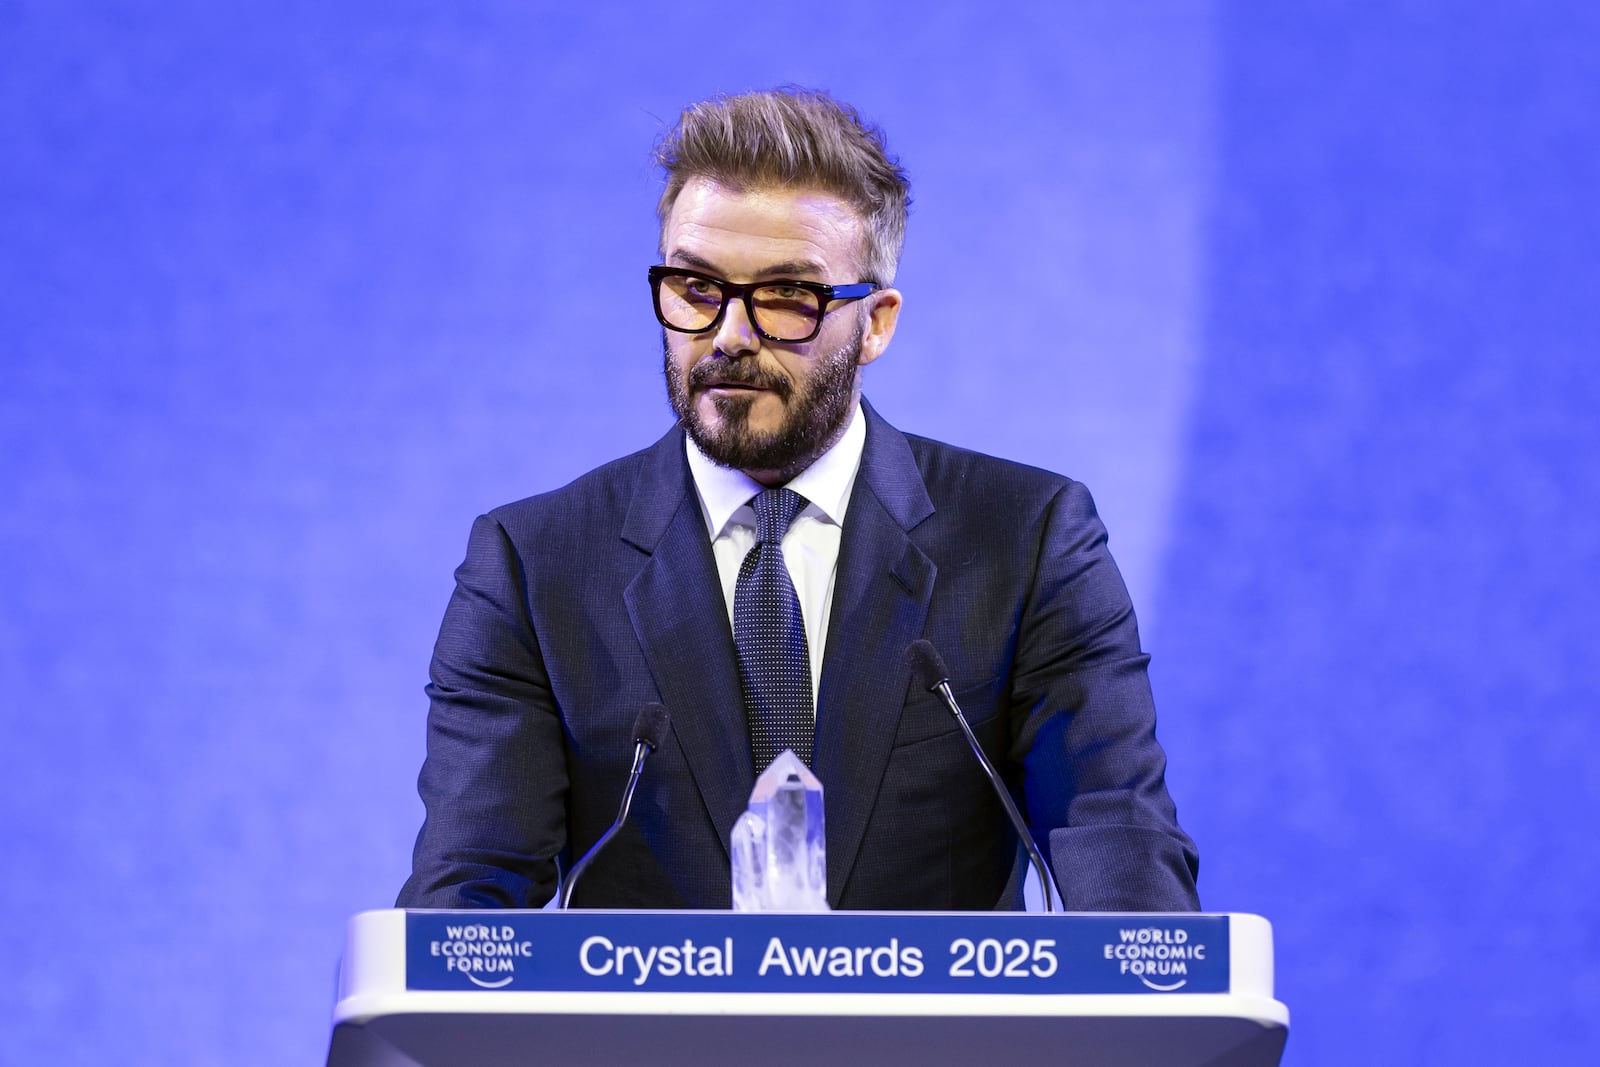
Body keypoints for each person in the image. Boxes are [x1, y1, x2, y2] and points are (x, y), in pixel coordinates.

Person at [397, 88, 1199, 912]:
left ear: (876, 323)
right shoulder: (535, 567)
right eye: (696, 287)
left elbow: (1123, 856)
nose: (730, 335)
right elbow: (464, 910)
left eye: (787, 296)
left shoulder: (1025, 542)